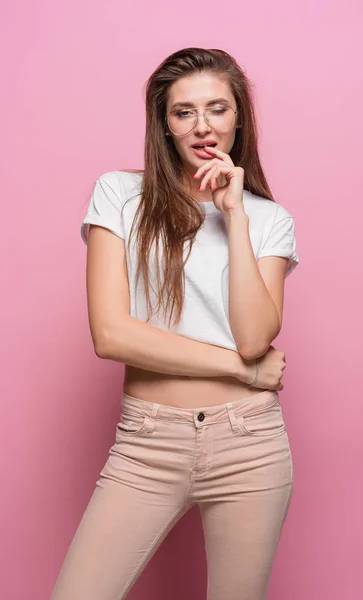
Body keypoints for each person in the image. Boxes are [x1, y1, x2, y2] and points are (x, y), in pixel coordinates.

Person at [51, 47, 299, 600]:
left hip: (249, 443)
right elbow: (111, 335)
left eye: (217, 109)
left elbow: (256, 337)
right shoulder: (120, 194)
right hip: (147, 442)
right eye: (183, 112)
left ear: (239, 118)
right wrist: (246, 372)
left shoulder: (268, 219)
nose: (203, 126)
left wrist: (234, 215)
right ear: (163, 124)